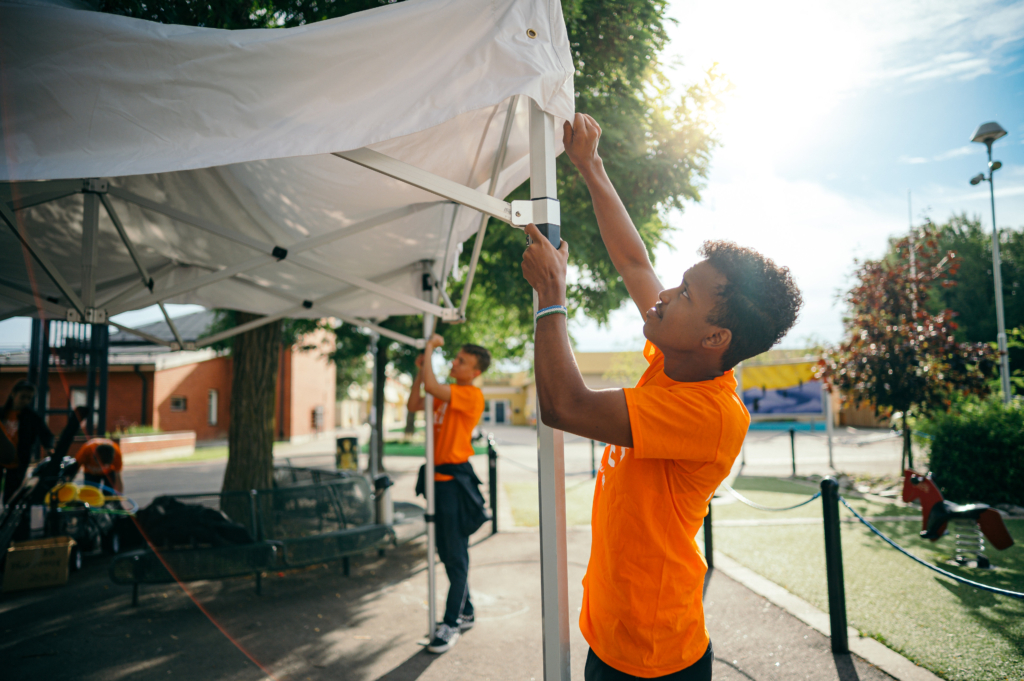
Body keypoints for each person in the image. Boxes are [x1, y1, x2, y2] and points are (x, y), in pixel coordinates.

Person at [520, 113, 803, 681]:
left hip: (653, 659)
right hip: (614, 637)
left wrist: (552, 298)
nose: (665, 294)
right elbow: (635, 262)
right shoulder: (680, 358)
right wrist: (590, 166)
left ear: (714, 337)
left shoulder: (710, 413)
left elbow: (565, 406)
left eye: (686, 294)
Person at [407, 335, 491, 654]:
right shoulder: (448, 394)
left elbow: (431, 387)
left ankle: (450, 624)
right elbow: (415, 403)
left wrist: (429, 350)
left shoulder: (470, 395)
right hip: (438, 484)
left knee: (455, 556)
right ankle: (466, 610)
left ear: (474, 372)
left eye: (462, 362)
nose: (454, 364)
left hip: (454, 486)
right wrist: (420, 369)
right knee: (447, 552)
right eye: (455, 359)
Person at [0, 380, 54, 503]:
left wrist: (49, 447)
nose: (25, 401)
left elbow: (46, 434)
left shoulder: (32, 417)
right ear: (13, 394)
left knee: (11, 495)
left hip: (18, 461)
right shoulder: (2, 413)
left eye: (29, 398)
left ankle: (6, 518)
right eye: (23, 397)